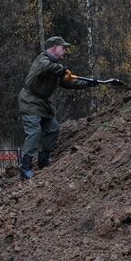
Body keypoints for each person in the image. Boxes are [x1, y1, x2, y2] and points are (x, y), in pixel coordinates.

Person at [18, 36, 93, 179]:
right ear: (54, 48)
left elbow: (67, 83)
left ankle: (43, 159)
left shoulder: (56, 66)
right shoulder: (43, 60)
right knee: (34, 131)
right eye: (63, 48)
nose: (65, 51)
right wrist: (62, 69)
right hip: (29, 100)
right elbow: (47, 68)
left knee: (53, 127)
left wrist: (88, 83)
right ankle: (25, 167)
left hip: (42, 102)